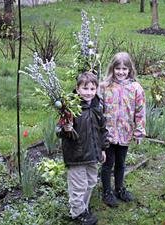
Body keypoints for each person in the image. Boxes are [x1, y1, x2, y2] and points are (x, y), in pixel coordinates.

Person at [56, 71, 108, 225]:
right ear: (77, 89)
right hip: (76, 155)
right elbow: (59, 130)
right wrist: (65, 128)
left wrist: (103, 149)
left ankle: (83, 207)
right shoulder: (71, 108)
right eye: (85, 89)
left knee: (91, 182)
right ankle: (77, 213)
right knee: (79, 186)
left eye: (92, 89)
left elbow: (102, 129)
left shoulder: (97, 106)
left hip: (93, 153)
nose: (89, 93)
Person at [100, 52, 146, 207]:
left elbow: (140, 111)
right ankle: (107, 192)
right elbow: (98, 109)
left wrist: (139, 131)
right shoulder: (104, 87)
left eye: (124, 69)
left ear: (130, 69)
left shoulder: (136, 88)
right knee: (108, 163)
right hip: (108, 133)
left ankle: (119, 189)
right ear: (112, 69)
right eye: (117, 68)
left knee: (121, 162)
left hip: (125, 132)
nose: (121, 72)